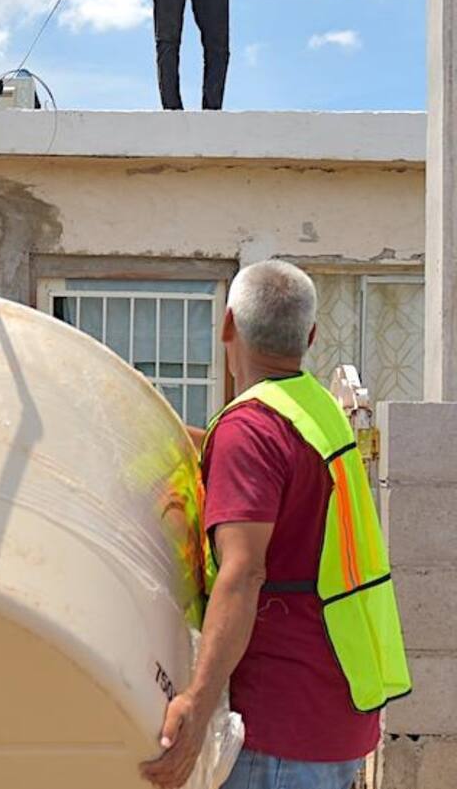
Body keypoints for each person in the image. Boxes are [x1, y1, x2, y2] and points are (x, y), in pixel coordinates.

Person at [142, 260, 411, 789]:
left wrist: (195, 707)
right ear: (309, 336)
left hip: (277, 730)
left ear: (226, 325)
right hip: (334, 706)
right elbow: (270, 468)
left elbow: (242, 573)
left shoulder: (252, 430)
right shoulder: (318, 409)